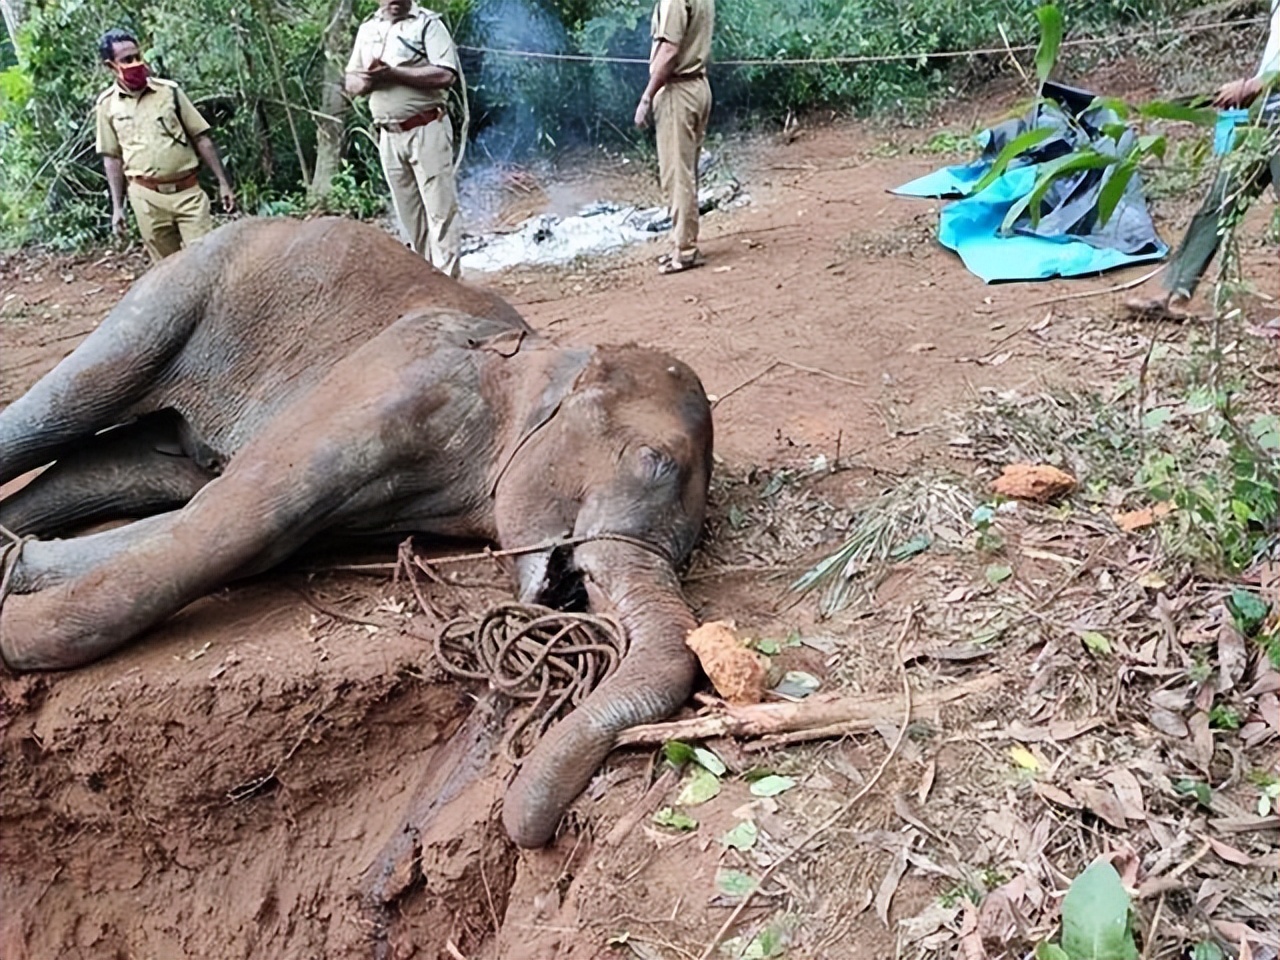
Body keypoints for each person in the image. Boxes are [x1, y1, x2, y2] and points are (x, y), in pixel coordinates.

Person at [1127, 0, 1279, 320]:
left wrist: (1255, 84)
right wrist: (1253, 89)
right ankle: (1174, 292)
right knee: (1220, 200)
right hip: (1263, 119)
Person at [95, 29, 236, 262]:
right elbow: (112, 158)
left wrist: (223, 183)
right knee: (164, 269)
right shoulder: (107, 105)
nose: (135, 63)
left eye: (137, 56)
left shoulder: (169, 92)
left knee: (205, 261)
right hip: (146, 198)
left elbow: (201, 138)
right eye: (127, 60)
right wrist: (117, 207)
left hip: (188, 192)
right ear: (111, 66)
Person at [345, 0, 462, 278]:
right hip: (388, 135)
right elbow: (351, 81)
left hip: (427, 127)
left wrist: (394, 74)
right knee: (409, 214)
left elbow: (445, 74)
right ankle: (423, 279)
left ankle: (448, 283)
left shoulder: (428, 24)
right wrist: (369, 81)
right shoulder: (368, 29)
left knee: (440, 211)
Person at [634, 0, 715, 275]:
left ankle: (684, 250)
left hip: (678, 92)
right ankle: (684, 242)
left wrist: (647, 97)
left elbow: (669, 50)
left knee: (677, 175)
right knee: (687, 172)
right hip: (699, 86)